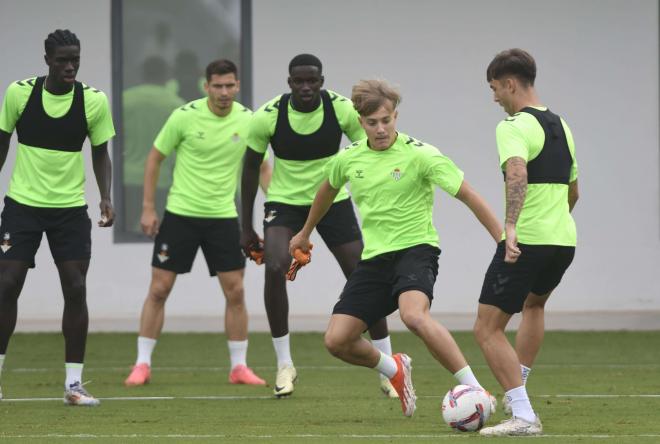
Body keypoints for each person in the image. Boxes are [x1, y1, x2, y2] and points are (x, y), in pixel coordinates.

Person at [289, 79, 502, 417]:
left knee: (413, 315)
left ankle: (476, 390)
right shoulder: (348, 159)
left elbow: (469, 195)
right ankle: (394, 369)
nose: (380, 129)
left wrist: (502, 239)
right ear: (361, 123)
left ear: (395, 117)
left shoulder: (421, 154)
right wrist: (304, 232)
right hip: (374, 260)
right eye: (372, 123)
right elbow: (326, 190)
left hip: (416, 250)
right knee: (336, 341)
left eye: (386, 120)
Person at [241, 54, 397, 398]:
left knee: (363, 272)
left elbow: (371, 151)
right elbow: (250, 169)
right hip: (283, 203)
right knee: (275, 266)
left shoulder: (341, 110)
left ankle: (389, 364)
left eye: (313, 81)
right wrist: (245, 226)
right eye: (300, 81)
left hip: (333, 202)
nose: (306, 87)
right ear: (289, 83)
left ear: (322, 81)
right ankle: (285, 364)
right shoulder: (267, 116)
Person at [124, 59, 271, 387]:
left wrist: (277, 211)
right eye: (217, 86)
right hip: (180, 215)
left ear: (237, 86)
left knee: (235, 292)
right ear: (206, 87)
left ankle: (239, 367)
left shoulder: (249, 121)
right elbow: (155, 158)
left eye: (229, 85)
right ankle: (142, 364)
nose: (223, 92)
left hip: (223, 218)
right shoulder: (184, 116)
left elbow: (261, 168)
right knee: (159, 289)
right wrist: (148, 208)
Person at [0, 29, 115, 406]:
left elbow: (101, 152)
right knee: (7, 284)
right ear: (47, 59)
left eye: (75, 59)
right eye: (63, 59)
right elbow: (2, 145)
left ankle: (74, 385)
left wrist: (106, 198)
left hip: (69, 210)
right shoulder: (19, 94)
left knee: (76, 287)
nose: (70, 66)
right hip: (22, 205)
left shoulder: (93, 101)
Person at [475, 49, 579, 436]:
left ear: (510, 84)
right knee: (534, 305)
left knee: (487, 328)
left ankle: (523, 415)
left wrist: (513, 225)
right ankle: (516, 386)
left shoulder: (513, 125)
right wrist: (555, 221)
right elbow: (574, 190)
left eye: (494, 88)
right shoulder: (561, 125)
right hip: (562, 238)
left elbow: (516, 172)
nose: (494, 98)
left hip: (529, 238)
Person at [122, 56, 185, 233]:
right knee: (157, 234)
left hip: (127, 178)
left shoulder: (125, 100)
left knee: (127, 232)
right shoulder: (176, 104)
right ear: (167, 75)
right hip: (161, 180)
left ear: (142, 74)